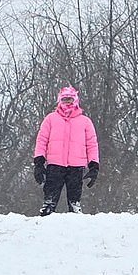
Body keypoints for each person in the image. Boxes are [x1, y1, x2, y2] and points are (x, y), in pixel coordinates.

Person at [33, 86, 99, 216]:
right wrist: (39, 162)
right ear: (59, 101)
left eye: (69, 99)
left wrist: (94, 165)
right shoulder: (50, 119)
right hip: (55, 164)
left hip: (76, 165)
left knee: (74, 200)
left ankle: (75, 218)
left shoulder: (85, 122)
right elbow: (42, 141)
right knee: (50, 200)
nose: (67, 103)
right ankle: (46, 217)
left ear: (75, 100)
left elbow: (92, 144)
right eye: (64, 100)